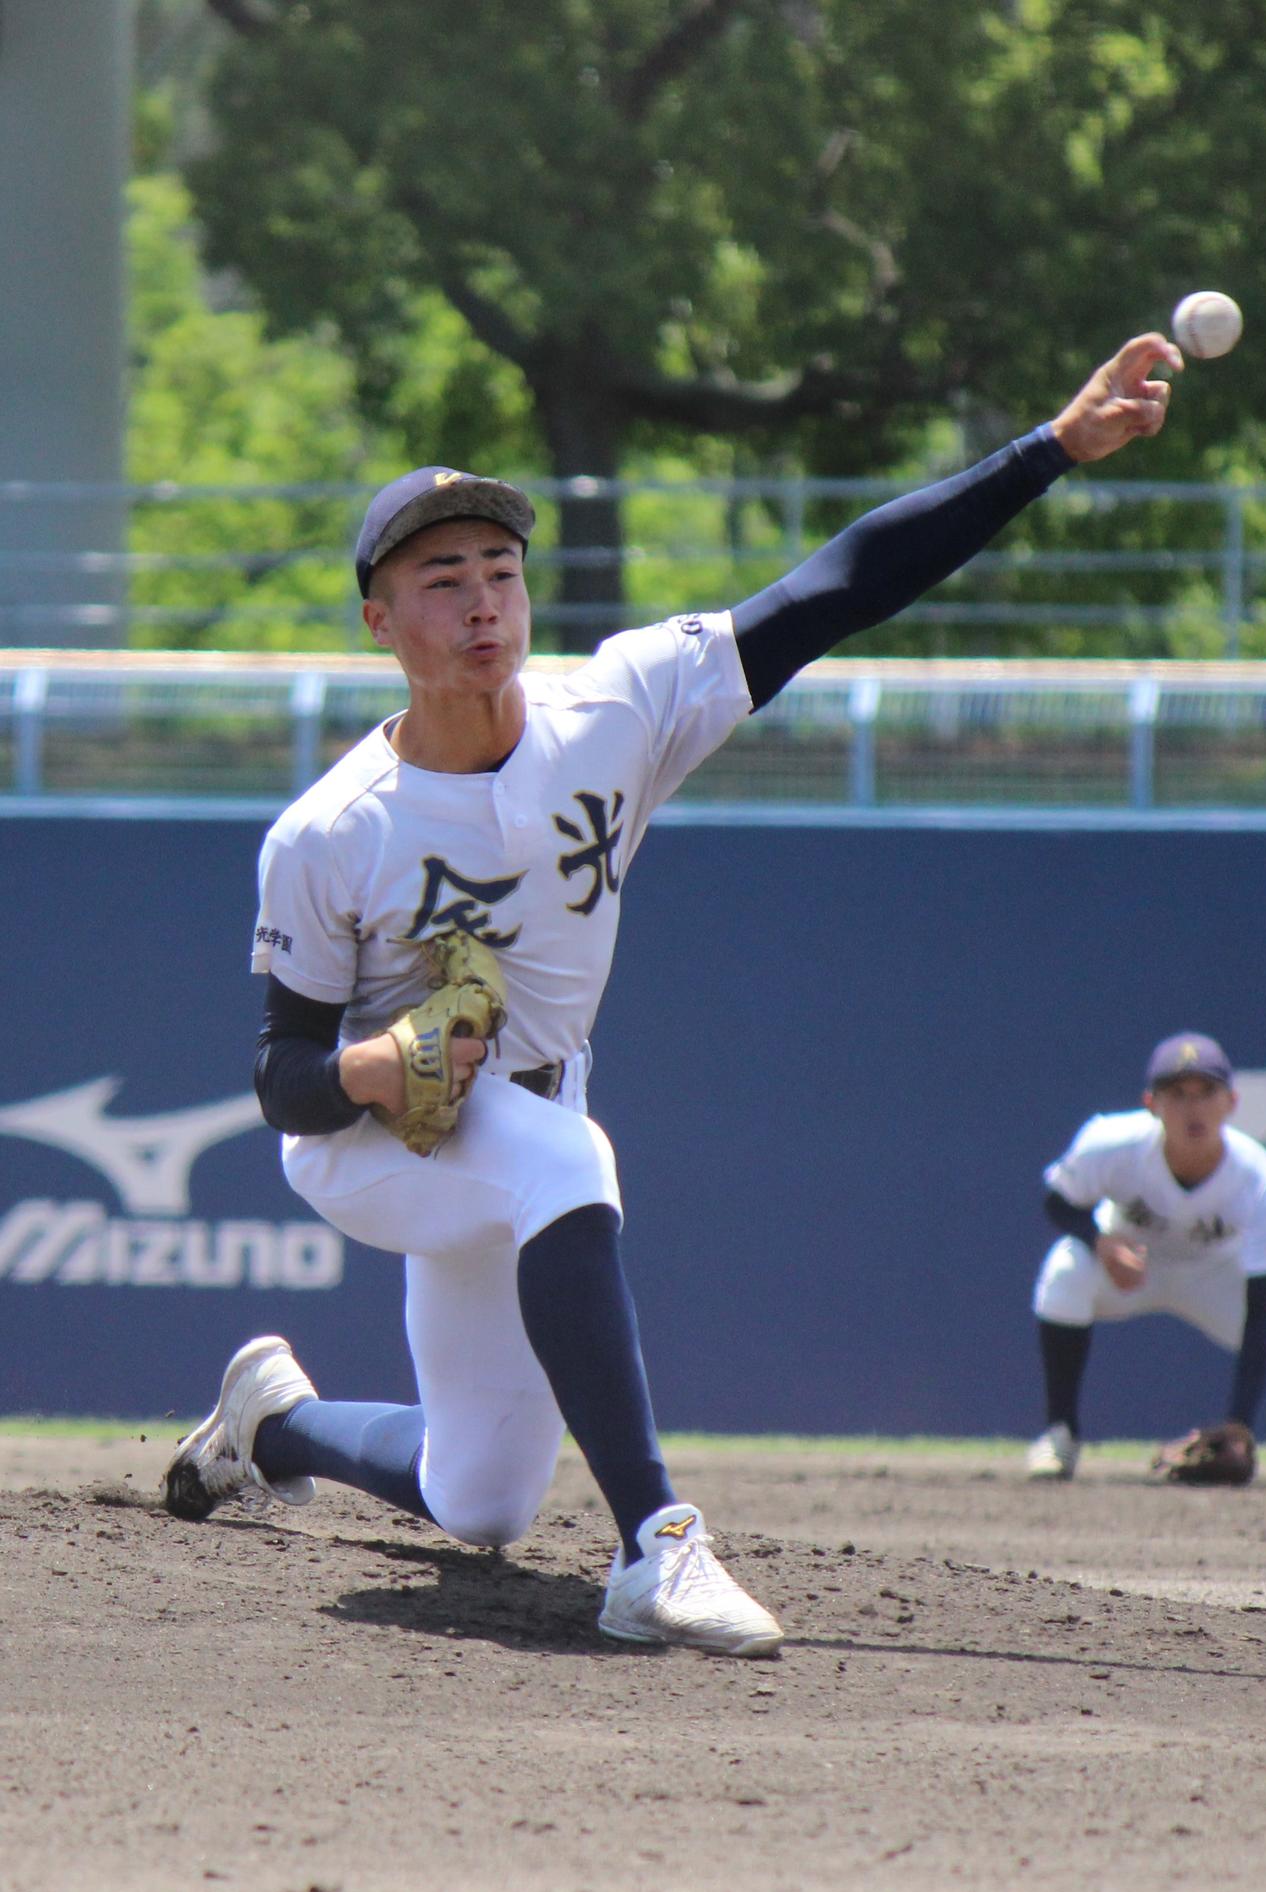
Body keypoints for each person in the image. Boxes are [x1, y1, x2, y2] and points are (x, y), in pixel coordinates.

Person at [163, 334, 1182, 1657]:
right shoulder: (330, 832)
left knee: (479, 1499)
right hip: (370, 1144)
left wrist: (1049, 448)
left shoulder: (621, 704)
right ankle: (657, 1546)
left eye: (501, 570)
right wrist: (370, 1066)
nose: (483, 602)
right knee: (567, 1162)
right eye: (440, 578)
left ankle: (268, 1420)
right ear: (377, 619)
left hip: (522, 1118)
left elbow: (839, 589)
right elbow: (280, 1080)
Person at [1027, 1031, 1266, 1480]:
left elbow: (1261, 1310)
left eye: (1206, 1092)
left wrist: (1238, 1425)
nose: (1193, 1108)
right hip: (1129, 1265)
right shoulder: (1111, 1142)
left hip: (1217, 1275)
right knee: (1064, 1272)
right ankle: (1060, 1434)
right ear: (1151, 1103)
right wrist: (1099, 1240)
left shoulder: (1261, 1182)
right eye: (1177, 1094)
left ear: (1232, 1102)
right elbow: (1058, 1201)